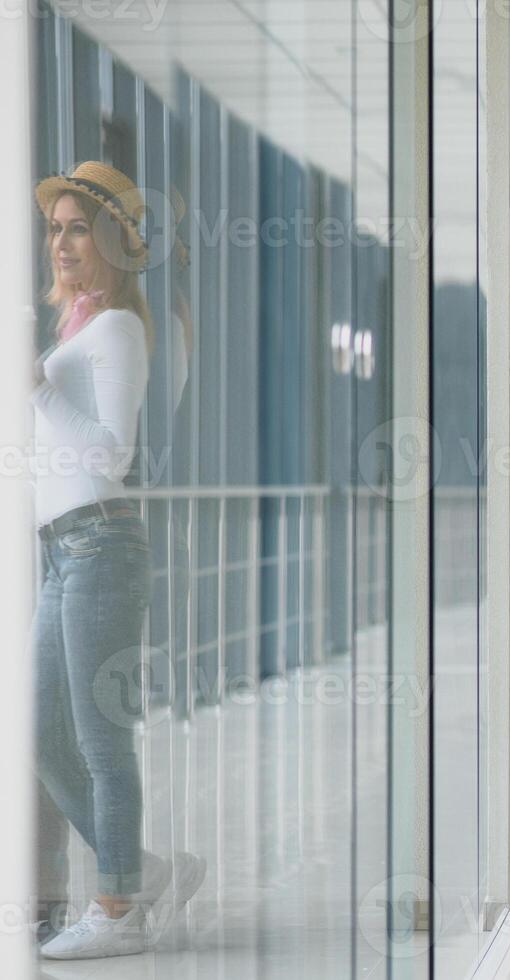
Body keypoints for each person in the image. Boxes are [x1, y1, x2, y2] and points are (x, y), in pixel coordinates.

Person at [29, 160, 205, 960]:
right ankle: (144, 868)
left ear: (109, 241)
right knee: (40, 737)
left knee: (102, 742)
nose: (60, 242)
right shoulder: (73, 331)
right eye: (54, 227)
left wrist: (34, 389)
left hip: (100, 544)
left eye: (75, 228)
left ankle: (118, 908)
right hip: (59, 552)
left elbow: (113, 452)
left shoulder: (120, 329)